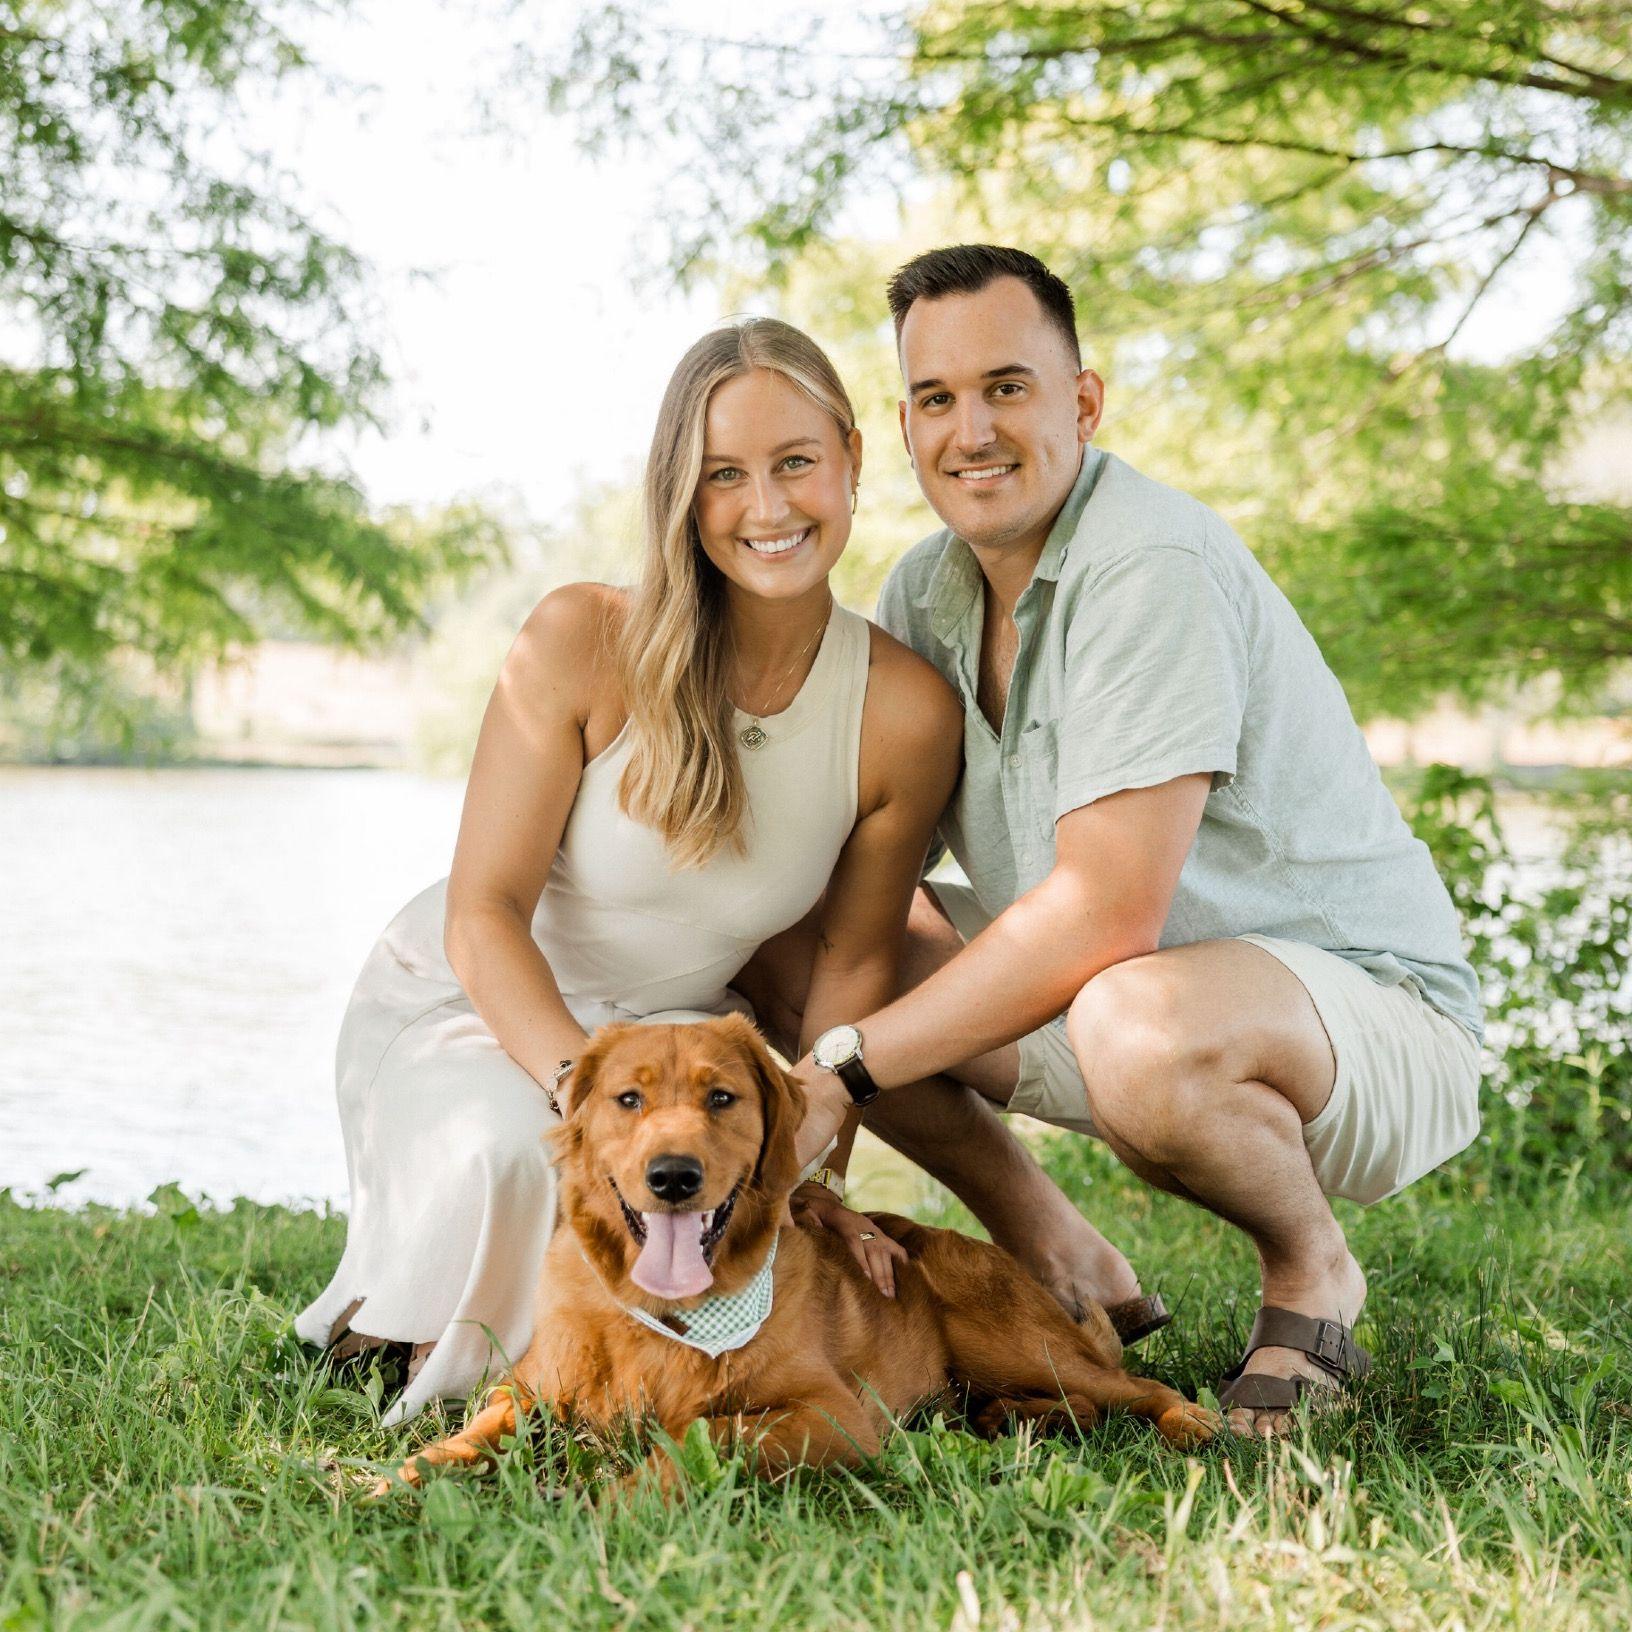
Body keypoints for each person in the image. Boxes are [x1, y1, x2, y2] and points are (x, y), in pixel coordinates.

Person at [759, 245, 1483, 1436]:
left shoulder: (1148, 562)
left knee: (1130, 1021)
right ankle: (1055, 1246)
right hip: (1122, 999)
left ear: (1083, 402)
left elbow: (1106, 914)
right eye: (937, 399)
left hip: (1360, 1014)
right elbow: (861, 899)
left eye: (1008, 387)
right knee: (794, 928)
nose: (972, 430)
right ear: (902, 425)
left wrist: (844, 1068)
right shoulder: (924, 596)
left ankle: (1311, 1271)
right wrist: (815, 1180)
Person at [296, 317, 959, 1424]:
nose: (768, 506)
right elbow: (484, 916)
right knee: (519, 1155)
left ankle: (519, 1351)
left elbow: (852, 962)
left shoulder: (904, 710)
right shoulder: (580, 638)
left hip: (679, 1040)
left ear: (851, 454)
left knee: (674, 1180)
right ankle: (422, 1337)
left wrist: (806, 1184)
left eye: (796, 461)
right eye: (722, 476)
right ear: (679, 494)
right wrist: (578, 1095)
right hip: (478, 1004)